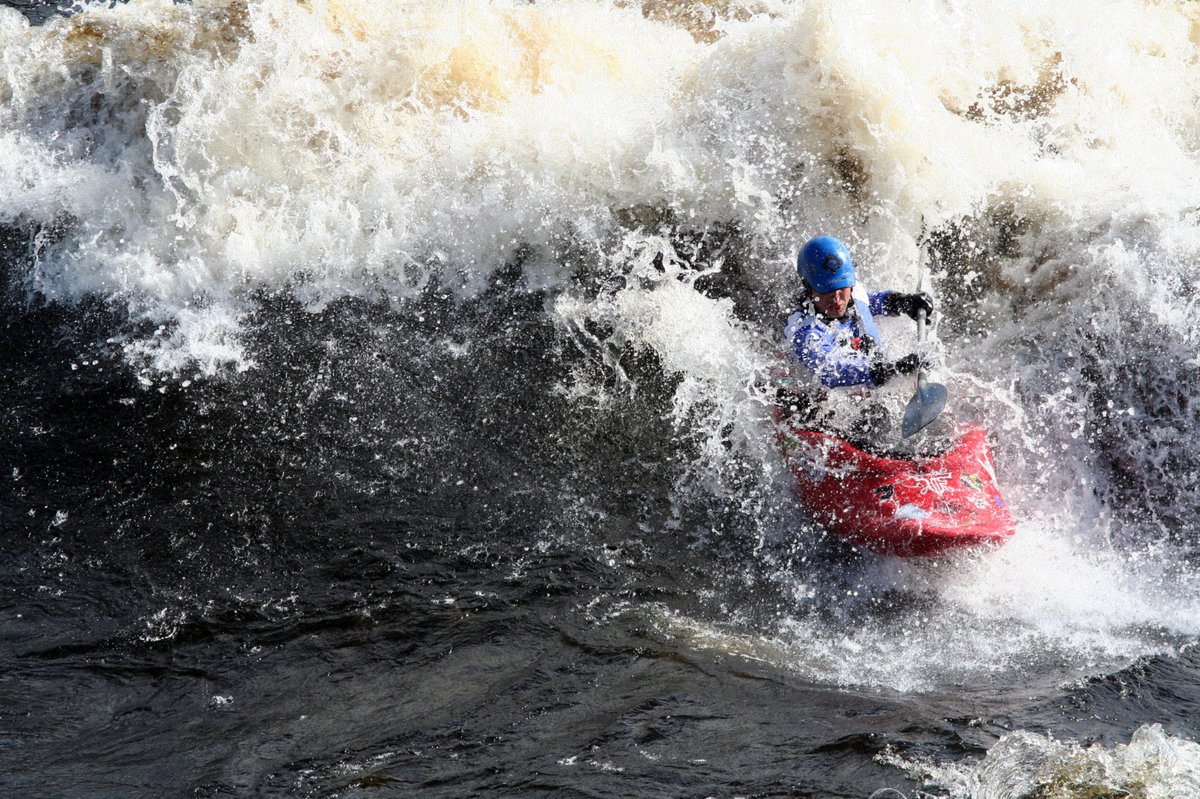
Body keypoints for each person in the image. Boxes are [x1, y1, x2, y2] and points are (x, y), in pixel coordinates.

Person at [779, 235, 934, 440]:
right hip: (820, 405)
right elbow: (830, 373)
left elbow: (874, 300)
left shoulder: (853, 292)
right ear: (809, 289)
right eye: (825, 291)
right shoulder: (803, 331)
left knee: (883, 411)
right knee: (875, 419)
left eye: (840, 289)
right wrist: (893, 369)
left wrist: (903, 302)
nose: (836, 299)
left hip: (867, 392)